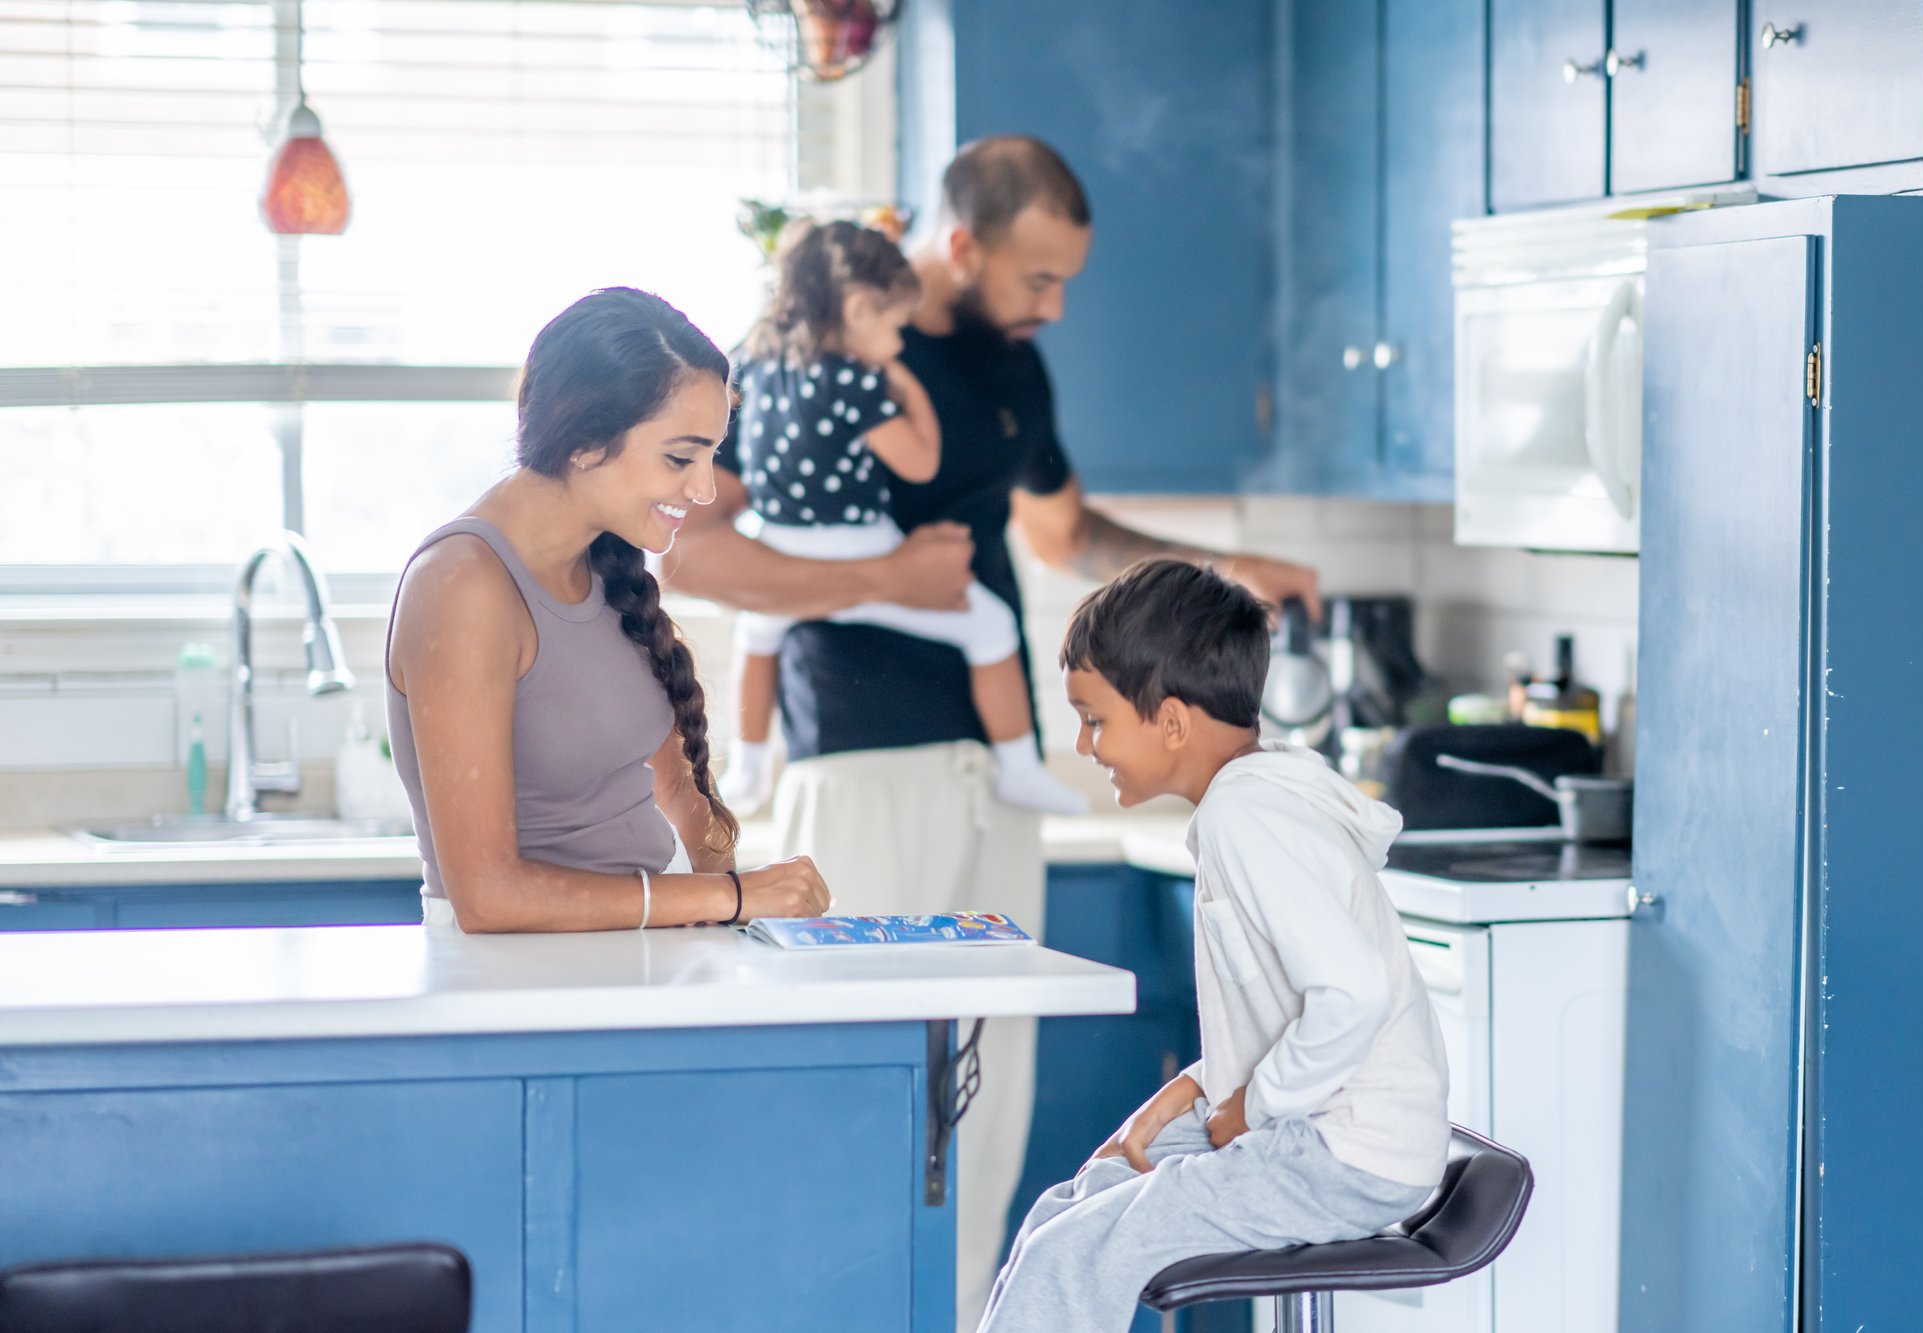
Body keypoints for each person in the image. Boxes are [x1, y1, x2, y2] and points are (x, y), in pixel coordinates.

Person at [668, 136, 1320, 1327]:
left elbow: (1067, 536)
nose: (1053, 306)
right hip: (857, 764)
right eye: (1034, 280)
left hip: (996, 772)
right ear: (958, 246)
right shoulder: (825, 335)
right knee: (862, 1099)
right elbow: (695, 546)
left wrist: (1224, 572)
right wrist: (884, 584)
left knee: (981, 1104)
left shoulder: (1016, 375)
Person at [977, 560, 1451, 1332]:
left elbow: (1352, 995)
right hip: (1317, 1131)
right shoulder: (1254, 798)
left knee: (1081, 1251)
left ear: (1170, 721)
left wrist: (1250, 1105)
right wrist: (1199, 1089)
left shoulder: (1248, 817)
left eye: (1094, 719)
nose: (1083, 741)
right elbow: (1287, 1009)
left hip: (1342, 1157)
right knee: (1078, 1203)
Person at [384, 286, 831, 933]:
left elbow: (677, 791)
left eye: (712, 456)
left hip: (631, 970)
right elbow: (487, 895)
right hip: (515, 990)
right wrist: (733, 898)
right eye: (681, 457)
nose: (703, 488)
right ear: (584, 439)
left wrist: (753, 917)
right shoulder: (462, 585)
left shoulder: (608, 567)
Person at [720, 218, 1084, 817]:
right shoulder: (860, 380)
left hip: (783, 549)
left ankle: (750, 769)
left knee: (756, 639)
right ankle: (1020, 766)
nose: (898, 341)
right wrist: (903, 385)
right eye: (894, 327)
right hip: (863, 546)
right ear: (859, 310)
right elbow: (919, 462)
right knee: (990, 630)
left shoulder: (757, 363)